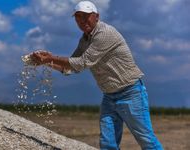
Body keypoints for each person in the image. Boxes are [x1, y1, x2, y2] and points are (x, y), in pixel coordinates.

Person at [31, 1, 163, 150]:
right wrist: (45, 62)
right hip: (109, 96)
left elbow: (82, 62)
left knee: (146, 139)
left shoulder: (105, 33)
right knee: (108, 143)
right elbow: (72, 67)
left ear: (97, 16)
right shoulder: (84, 39)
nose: (82, 21)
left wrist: (51, 57)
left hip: (130, 93)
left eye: (86, 16)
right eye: (78, 17)